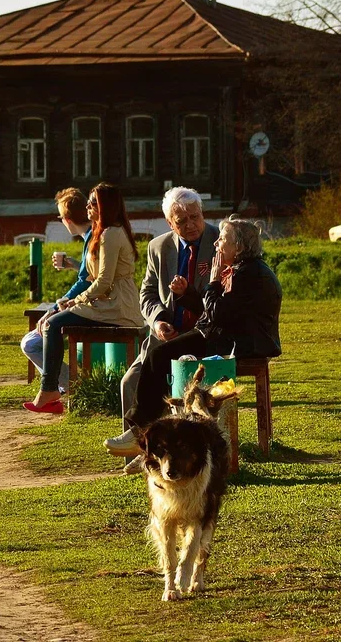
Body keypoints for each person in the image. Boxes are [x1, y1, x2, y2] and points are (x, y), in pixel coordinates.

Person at [106, 215, 282, 457]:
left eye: (223, 239)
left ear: (239, 247)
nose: (216, 244)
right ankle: (151, 441)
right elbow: (216, 311)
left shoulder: (250, 275)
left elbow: (218, 313)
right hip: (225, 336)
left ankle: (141, 434)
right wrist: (187, 293)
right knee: (162, 356)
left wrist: (213, 280)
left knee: (159, 356)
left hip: (238, 345)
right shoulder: (244, 270)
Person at [111, 187, 219, 471]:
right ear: (170, 224)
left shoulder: (220, 241)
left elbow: (218, 296)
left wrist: (190, 296)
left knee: (173, 379)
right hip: (164, 335)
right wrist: (158, 320)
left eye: (195, 217)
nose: (191, 225)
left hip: (202, 334)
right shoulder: (158, 247)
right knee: (128, 382)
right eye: (181, 221)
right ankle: (140, 454)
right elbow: (146, 294)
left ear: (202, 214)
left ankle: (166, 453)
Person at [24, 183, 143, 414]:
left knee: (52, 324)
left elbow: (104, 281)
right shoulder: (103, 232)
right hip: (104, 302)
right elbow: (91, 276)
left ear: (105, 206)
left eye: (93, 203)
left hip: (117, 306)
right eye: (88, 202)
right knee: (53, 323)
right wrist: (72, 295)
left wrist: (74, 301)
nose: (87, 207)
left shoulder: (111, 233)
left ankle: (50, 388)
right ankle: (51, 388)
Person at [20, 188, 94, 391]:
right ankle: (64, 387)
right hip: (92, 303)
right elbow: (91, 275)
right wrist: (75, 264)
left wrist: (55, 308)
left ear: (68, 220)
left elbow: (86, 283)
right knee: (37, 335)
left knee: (31, 342)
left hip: (92, 307)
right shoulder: (93, 236)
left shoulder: (92, 239)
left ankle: (69, 387)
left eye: (61, 217)